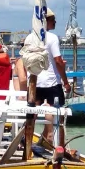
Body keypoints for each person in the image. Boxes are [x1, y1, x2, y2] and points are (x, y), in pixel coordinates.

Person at [34, 8, 70, 146]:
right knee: (57, 116)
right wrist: (65, 82)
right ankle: (58, 145)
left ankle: (26, 141)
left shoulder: (32, 37)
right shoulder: (52, 38)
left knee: (32, 113)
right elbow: (58, 61)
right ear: (46, 21)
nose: (55, 22)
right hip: (52, 82)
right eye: (52, 19)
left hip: (36, 82)